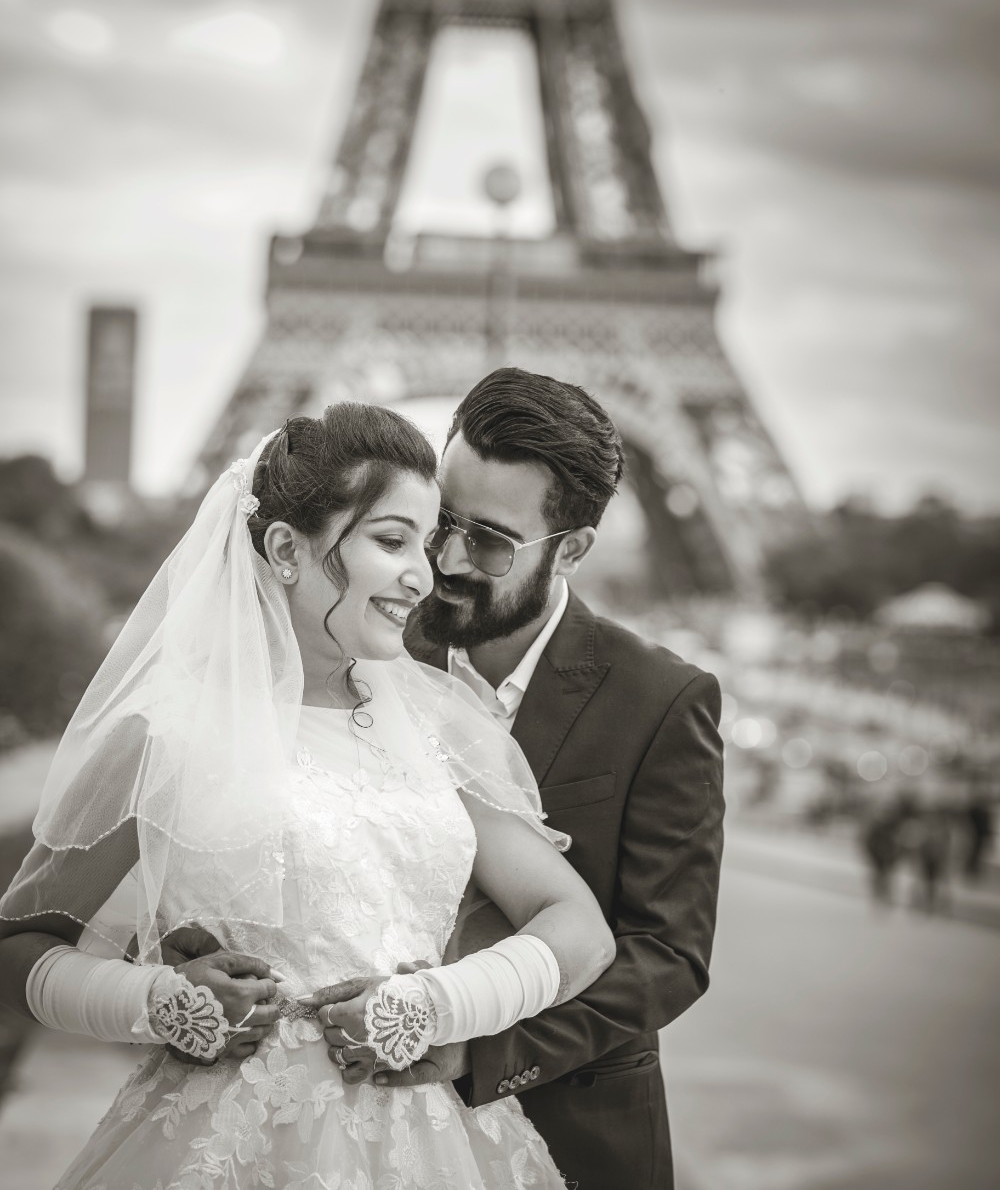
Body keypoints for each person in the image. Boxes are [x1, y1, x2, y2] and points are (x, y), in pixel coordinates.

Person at [0, 405, 615, 1190]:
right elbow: (16, 947)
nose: (424, 575)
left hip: (435, 1145)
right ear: (288, 549)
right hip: (225, 1143)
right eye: (391, 540)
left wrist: (437, 1005)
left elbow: (580, 929)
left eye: (425, 544)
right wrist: (161, 1001)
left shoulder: (435, 723)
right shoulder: (164, 731)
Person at [324, 370, 726, 1190]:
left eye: (490, 542)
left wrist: (483, 1049)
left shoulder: (662, 700)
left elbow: (667, 954)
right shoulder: (362, 651)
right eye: (442, 520)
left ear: (572, 549)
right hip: (358, 1124)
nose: (446, 558)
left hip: (572, 1126)